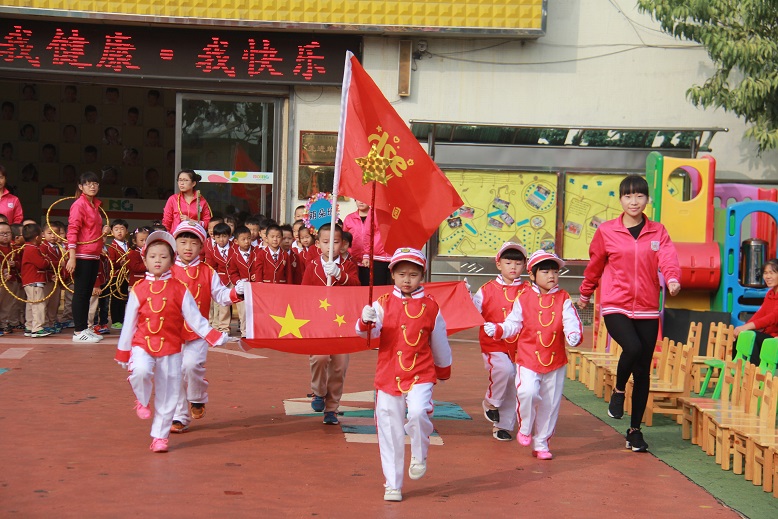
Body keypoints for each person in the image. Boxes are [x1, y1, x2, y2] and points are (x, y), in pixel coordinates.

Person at [577, 174, 681, 453]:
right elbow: (596, 263)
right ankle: (619, 389)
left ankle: (635, 431)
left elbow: (668, 258)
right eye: (628, 196)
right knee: (632, 347)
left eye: (639, 196)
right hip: (615, 303)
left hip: (647, 307)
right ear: (620, 199)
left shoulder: (658, 231)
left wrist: (672, 278)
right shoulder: (607, 231)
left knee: (643, 370)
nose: (633, 201)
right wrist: (586, 293)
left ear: (647, 199)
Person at [114, 231, 230, 453]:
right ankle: (141, 399)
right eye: (153, 257)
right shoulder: (139, 289)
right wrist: (123, 351)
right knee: (140, 371)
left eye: (163, 257)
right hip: (142, 343)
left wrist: (217, 336)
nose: (158, 261)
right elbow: (128, 323)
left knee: (169, 391)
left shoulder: (180, 287)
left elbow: (196, 319)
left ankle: (160, 436)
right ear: (145, 260)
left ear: (171, 259)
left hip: (171, 345)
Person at [357, 247, 452, 502]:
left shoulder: (432, 306)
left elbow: (439, 340)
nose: (407, 280)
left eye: (413, 274)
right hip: (388, 373)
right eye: (401, 274)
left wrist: (444, 369)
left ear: (422, 275)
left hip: (421, 371)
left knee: (420, 412)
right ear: (392, 275)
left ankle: (420, 452)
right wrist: (364, 321)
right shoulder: (383, 303)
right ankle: (393, 483)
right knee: (389, 428)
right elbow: (370, 334)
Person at [485, 250, 582, 459]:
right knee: (526, 392)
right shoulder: (524, 297)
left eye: (555, 272)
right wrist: (499, 329)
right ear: (533, 275)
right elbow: (513, 323)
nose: (551, 276)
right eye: (545, 271)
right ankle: (525, 426)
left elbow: (570, 319)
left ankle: (542, 444)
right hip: (528, 358)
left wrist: (573, 333)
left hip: (555, 360)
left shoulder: (563, 297)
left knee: (550, 403)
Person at [170, 222, 243, 433]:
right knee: (174, 373)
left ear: (202, 246)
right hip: (171, 333)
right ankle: (179, 416)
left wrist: (236, 292)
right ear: (174, 244)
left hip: (198, 331)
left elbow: (220, 295)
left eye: (194, 243)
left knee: (191, 366)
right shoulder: (167, 270)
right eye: (182, 242)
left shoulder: (206, 271)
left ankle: (198, 398)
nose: (188, 248)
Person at [302, 223, 360, 424]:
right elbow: (303, 294)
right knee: (319, 358)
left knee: (339, 366)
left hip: (343, 323)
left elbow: (356, 287)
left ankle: (332, 408)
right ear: (317, 244)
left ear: (342, 244)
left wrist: (339, 274)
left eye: (335, 242)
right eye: (325, 242)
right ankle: (318, 391)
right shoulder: (312, 267)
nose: (330, 247)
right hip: (318, 323)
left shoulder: (349, 266)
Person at [472, 242, 530, 441]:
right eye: (508, 262)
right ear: (498, 264)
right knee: (504, 371)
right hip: (493, 344)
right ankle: (491, 402)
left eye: (518, 263)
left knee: (514, 385)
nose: (513, 267)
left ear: (525, 265)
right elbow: (472, 311)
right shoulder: (486, 289)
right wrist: (464, 295)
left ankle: (503, 426)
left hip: (521, 346)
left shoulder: (528, 289)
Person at [66, 172, 111, 343]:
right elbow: (73, 230)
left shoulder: (95, 206)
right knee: (81, 293)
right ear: (80, 186)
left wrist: (104, 233)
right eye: (88, 183)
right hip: (82, 255)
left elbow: (92, 233)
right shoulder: (79, 205)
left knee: (87, 294)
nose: (92, 186)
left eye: (95, 183)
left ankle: (84, 328)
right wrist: (72, 257)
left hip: (93, 255)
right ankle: (78, 331)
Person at [733, 258, 778, 364]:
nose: (767, 276)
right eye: (765, 273)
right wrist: (742, 330)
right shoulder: (770, 294)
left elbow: (773, 317)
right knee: (742, 336)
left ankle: (753, 376)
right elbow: (760, 314)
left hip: (775, 339)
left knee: (752, 338)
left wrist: (746, 327)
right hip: (770, 338)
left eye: (772, 273)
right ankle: (736, 372)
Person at [343, 200, 392, 286]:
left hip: (373, 258)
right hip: (355, 258)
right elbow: (344, 238)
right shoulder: (349, 218)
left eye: (364, 200)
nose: (361, 202)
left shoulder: (377, 213)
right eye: (358, 199)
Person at [21, 223, 53, 338]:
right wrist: (47, 260)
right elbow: (41, 264)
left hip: (29, 281)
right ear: (37, 237)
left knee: (31, 305)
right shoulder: (32, 249)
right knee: (39, 304)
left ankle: (29, 327)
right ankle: (37, 328)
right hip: (34, 281)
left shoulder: (28, 248)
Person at [228, 226, 259, 338]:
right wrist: (238, 281)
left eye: (249, 238)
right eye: (243, 239)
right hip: (242, 289)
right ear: (236, 241)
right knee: (243, 312)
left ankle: (257, 331)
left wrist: (258, 275)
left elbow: (261, 266)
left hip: (255, 287)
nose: (247, 242)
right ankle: (245, 332)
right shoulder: (234, 256)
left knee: (256, 310)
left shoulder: (257, 252)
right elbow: (232, 272)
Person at [204, 222, 234, 333]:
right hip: (220, 280)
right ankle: (223, 328)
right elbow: (212, 268)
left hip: (235, 279)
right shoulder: (212, 251)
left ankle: (245, 330)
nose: (221, 240)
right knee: (222, 304)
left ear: (229, 236)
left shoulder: (235, 248)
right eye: (218, 237)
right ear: (213, 237)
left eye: (224, 236)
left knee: (242, 306)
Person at [107, 219, 130, 330]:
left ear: (127, 231)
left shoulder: (129, 245)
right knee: (117, 299)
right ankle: (116, 321)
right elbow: (110, 262)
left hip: (128, 276)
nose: (119, 232)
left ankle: (125, 319)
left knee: (126, 298)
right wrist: (118, 263)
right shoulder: (111, 247)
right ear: (112, 232)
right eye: (116, 229)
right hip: (117, 276)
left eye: (122, 229)